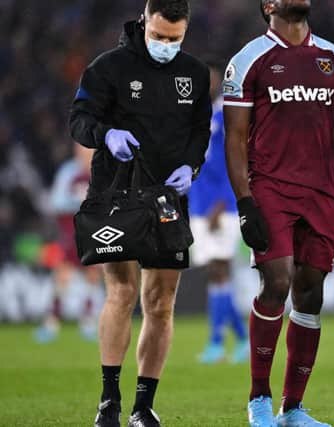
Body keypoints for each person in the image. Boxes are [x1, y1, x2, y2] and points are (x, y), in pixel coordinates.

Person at [224, 1, 334, 425]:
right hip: (270, 187)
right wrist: (245, 201)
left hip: (321, 192)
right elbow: (234, 137)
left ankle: (293, 409)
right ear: (267, 5)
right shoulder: (249, 60)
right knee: (278, 280)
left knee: (311, 292)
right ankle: (258, 401)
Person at [69, 0, 211, 426]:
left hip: (168, 198)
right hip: (117, 193)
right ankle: (108, 401)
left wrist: (193, 165)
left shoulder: (194, 74)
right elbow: (78, 119)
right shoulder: (107, 68)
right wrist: (105, 134)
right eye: (159, 35)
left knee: (161, 302)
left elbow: (200, 131)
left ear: (185, 31)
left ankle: (143, 407)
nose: (166, 44)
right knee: (122, 293)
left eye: (175, 38)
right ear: (144, 20)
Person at [189, 60, 249, 364]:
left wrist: (224, 201)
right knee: (216, 274)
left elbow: (236, 156)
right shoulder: (205, 111)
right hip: (200, 203)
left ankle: (219, 340)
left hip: (219, 205)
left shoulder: (228, 109)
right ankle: (240, 338)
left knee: (219, 269)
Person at [34, 144, 103, 343]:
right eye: (81, 150)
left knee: (92, 275)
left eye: (88, 150)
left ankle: (88, 322)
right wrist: (78, 204)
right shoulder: (68, 172)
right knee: (62, 276)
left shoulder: (102, 170)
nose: (85, 154)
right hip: (71, 232)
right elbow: (56, 202)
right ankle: (51, 323)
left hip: (93, 232)